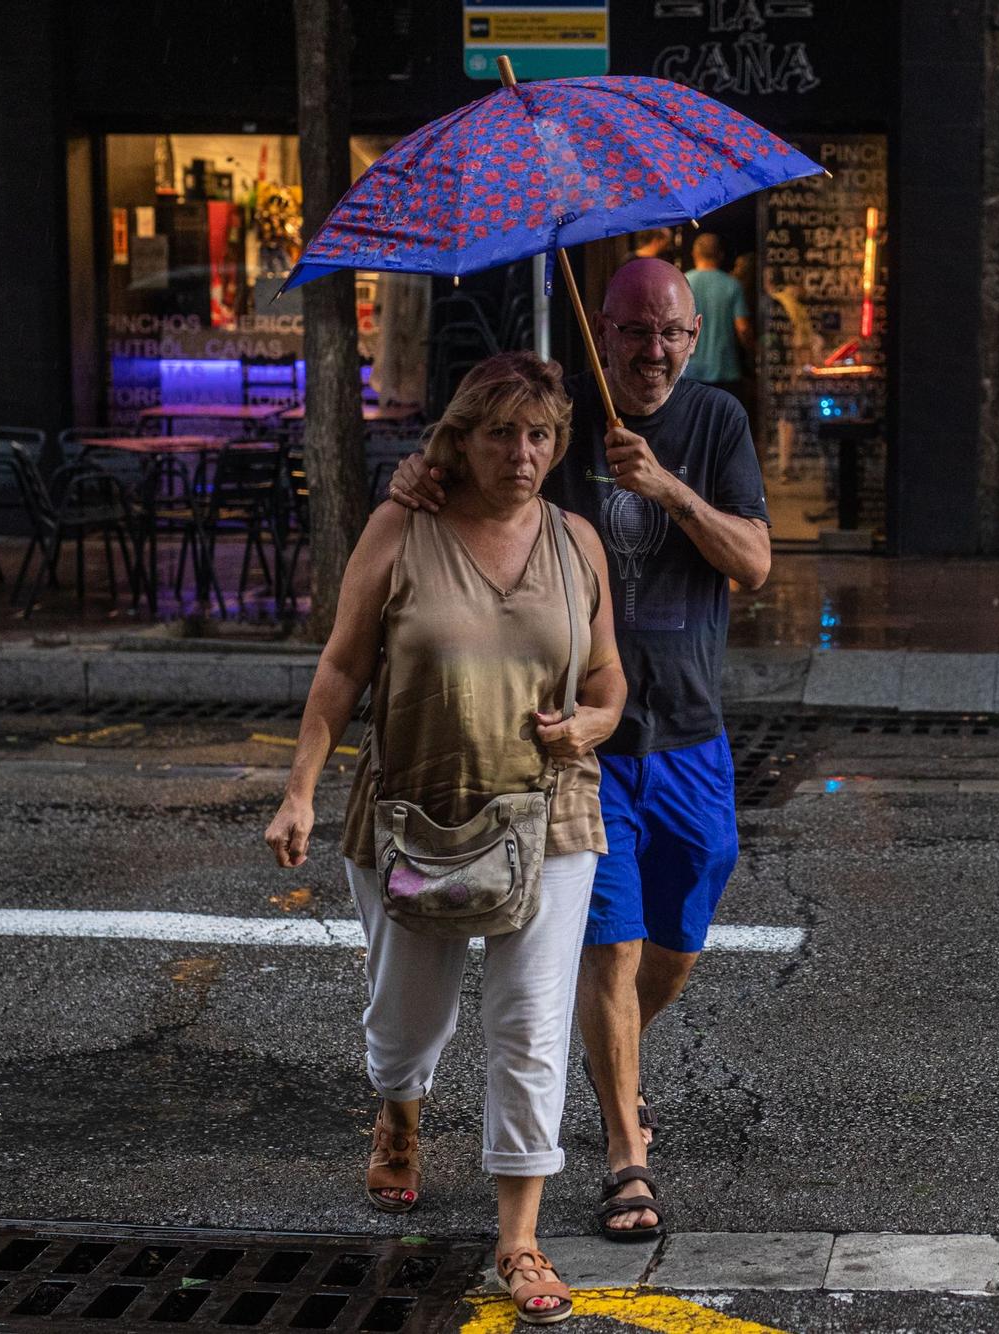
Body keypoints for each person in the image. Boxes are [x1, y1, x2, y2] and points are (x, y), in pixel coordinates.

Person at [387, 258, 771, 1240]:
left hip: (688, 740)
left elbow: (755, 563)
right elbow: (475, 475)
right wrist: (416, 477)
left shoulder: (715, 423)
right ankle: (624, 1151)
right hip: (579, 745)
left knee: (674, 948)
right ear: (601, 329)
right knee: (612, 946)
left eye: (672, 334)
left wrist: (666, 486)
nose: (653, 351)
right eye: (634, 331)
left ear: (695, 339)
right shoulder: (554, 428)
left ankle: (607, 1060)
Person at [265, 351, 624, 1325]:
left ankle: (517, 1235)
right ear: (459, 437)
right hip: (410, 813)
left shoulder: (575, 542)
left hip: (548, 816)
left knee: (530, 1025)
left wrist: (591, 725)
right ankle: (399, 1106)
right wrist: (299, 788)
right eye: (502, 431)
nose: (522, 452)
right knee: (405, 1021)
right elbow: (341, 669)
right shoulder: (400, 528)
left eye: (541, 434)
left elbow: (607, 681)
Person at [683, 234, 753, 404]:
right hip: (726, 371)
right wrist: (754, 353)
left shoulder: (682, 282)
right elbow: (743, 328)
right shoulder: (732, 285)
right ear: (720, 255)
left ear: (695, 254)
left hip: (689, 372)